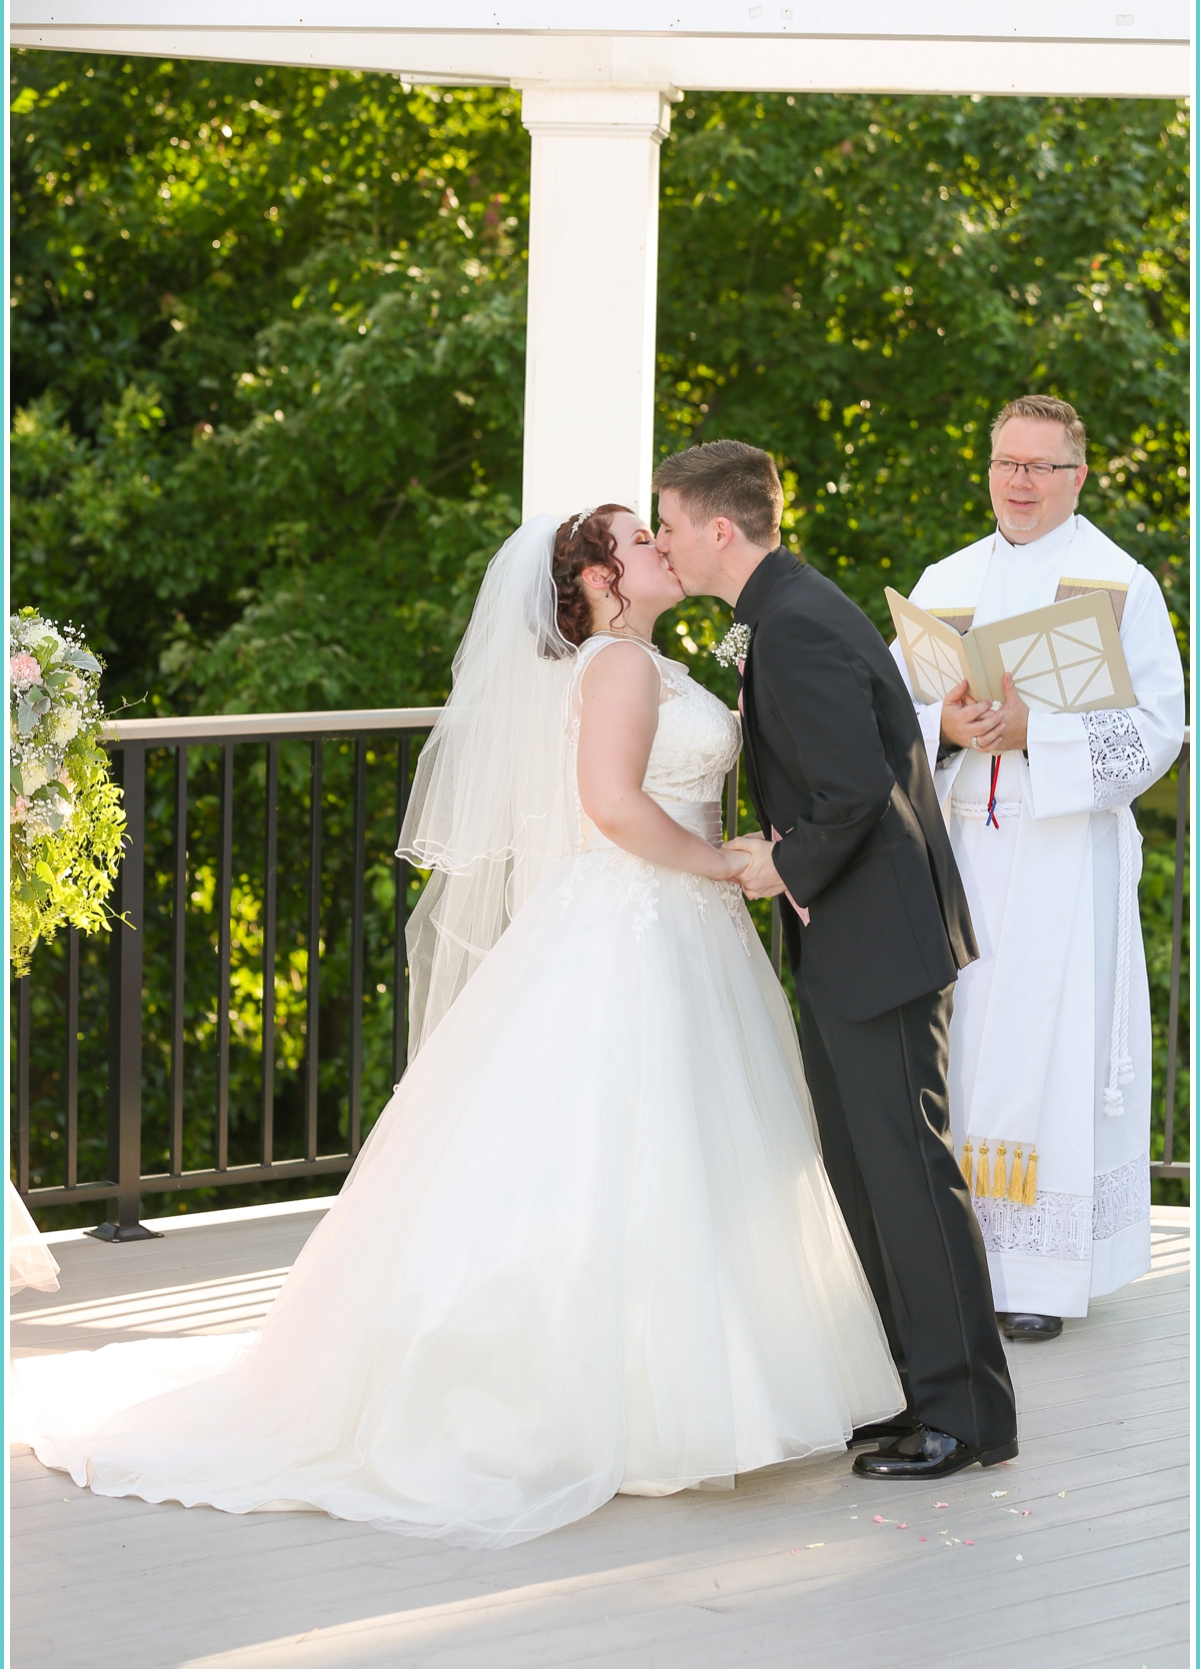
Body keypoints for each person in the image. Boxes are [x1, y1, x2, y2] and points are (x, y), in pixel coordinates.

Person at [12, 505, 904, 1548]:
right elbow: (613, 805)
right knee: (632, 1152)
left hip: (675, 929)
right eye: (639, 538)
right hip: (640, 920)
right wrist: (719, 863)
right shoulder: (616, 668)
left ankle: (705, 1394)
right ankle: (627, 1406)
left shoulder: (646, 661)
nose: (663, 546)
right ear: (603, 581)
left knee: (676, 1155)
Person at [654, 439, 1018, 1482]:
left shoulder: (798, 624)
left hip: (880, 939)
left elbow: (856, 791)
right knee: (865, 1178)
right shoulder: (781, 612)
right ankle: (909, 1391)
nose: (667, 542)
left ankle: (970, 1415)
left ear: (720, 528)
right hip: (850, 934)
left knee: (909, 1175)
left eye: (670, 524)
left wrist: (781, 865)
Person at [893, 395, 1185, 1340]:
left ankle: (1039, 1275)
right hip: (965, 848)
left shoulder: (1119, 584)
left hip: (1061, 849)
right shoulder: (946, 580)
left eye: (1041, 467)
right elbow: (893, 703)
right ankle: (957, 1256)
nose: (1019, 483)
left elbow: (1159, 730)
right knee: (961, 1036)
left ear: (1078, 476)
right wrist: (945, 726)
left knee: (1048, 1043)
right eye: (1006, 463)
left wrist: (1037, 734)